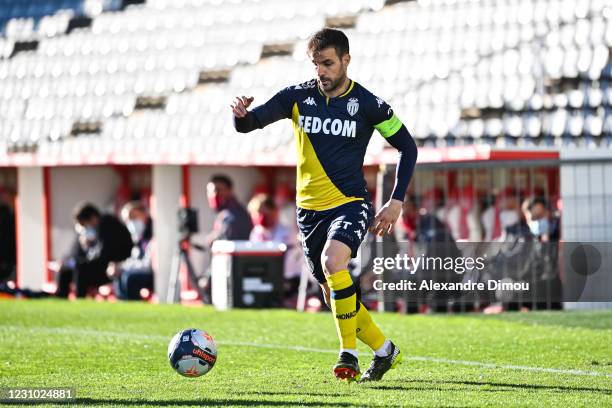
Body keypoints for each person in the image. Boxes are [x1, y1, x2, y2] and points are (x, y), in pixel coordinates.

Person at [231, 28, 418, 382]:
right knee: (334, 297)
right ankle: (384, 350)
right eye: (316, 64)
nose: (322, 71)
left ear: (346, 60)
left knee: (334, 262)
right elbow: (251, 124)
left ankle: (348, 353)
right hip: (309, 212)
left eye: (328, 63)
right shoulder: (296, 97)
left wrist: (396, 202)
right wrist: (241, 114)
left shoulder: (368, 104)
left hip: (350, 203)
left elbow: (408, 147)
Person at [56, 202, 133, 298]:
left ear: (93, 218)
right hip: (99, 265)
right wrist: (83, 249)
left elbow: (103, 255)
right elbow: (79, 255)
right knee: (65, 270)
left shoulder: (109, 225)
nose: (84, 229)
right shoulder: (92, 232)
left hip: (112, 267)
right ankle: (60, 298)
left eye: (84, 224)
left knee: (81, 269)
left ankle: (80, 301)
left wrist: (78, 262)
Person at [247, 193, 302, 304]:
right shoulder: (255, 233)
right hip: (264, 278)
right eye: (257, 213)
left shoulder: (287, 232)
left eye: (263, 213)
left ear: (274, 212)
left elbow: (287, 261)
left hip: (288, 279)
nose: (260, 217)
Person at [109, 201, 154, 300]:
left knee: (129, 278)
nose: (131, 222)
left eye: (133, 217)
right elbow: (135, 259)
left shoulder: (153, 233)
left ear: (144, 213)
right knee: (120, 275)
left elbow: (147, 265)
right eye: (128, 220)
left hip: (155, 275)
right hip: (144, 271)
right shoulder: (139, 237)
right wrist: (120, 267)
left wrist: (122, 267)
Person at [204, 174, 253, 246]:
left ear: (229, 190)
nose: (214, 195)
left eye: (218, 190)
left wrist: (213, 239)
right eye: (210, 191)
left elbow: (231, 241)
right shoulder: (223, 212)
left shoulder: (235, 214)